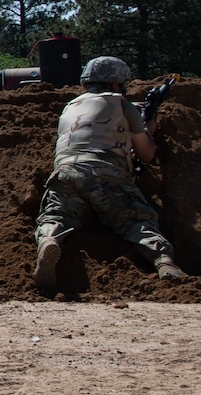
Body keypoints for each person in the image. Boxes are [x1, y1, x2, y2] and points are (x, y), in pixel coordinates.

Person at [34, 56, 185, 291]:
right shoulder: (122, 104)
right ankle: (164, 263)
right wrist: (148, 128)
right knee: (137, 220)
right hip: (105, 173)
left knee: (56, 216)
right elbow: (146, 154)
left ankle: (49, 240)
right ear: (115, 84)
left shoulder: (70, 107)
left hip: (64, 174)